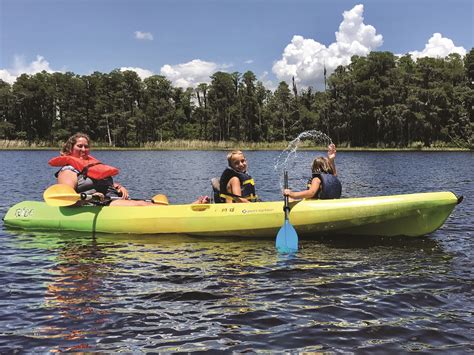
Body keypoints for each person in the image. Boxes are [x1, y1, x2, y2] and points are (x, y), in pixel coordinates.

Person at [49, 133, 154, 206]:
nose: (83, 149)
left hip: (112, 199)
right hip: (94, 205)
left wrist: (118, 186)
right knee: (142, 205)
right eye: (79, 146)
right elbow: (67, 200)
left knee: (151, 203)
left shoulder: (91, 166)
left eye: (86, 146)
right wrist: (90, 197)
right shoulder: (68, 171)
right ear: (70, 149)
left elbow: (97, 182)